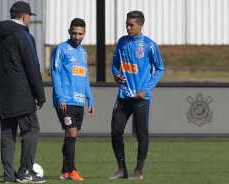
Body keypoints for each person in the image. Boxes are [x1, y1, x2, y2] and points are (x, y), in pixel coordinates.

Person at [0, 1, 46, 183]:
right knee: (32, 130)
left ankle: (8, 177)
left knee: (8, 136)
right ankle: (25, 172)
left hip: (3, 95)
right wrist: (40, 95)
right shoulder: (23, 36)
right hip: (22, 95)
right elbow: (33, 66)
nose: (29, 20)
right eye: (29, 17)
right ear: (24, 16)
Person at [108, 11, 165, 180]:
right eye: (127, 24)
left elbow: (160, 69)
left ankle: (138, 171)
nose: (128, 27)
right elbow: (115, 64)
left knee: (141, 134)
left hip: (140, 98)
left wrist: (145, 90)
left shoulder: (149, 45)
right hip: (123, 96)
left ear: (140, 25)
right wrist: (115, 74)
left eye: (131, 25)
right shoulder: (122, 42)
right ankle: (121, 169)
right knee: (116, 131)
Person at [51, 18, 95, 181]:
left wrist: (90, 99)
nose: (77, 36)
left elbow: (85, 78)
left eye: (80, 34)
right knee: (72, 133)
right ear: (69, 31)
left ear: (85, 33)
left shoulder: (83, 53)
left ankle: (64, 171)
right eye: (74, 33)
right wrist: (60, 97)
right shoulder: (61, 49)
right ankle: (73, 171)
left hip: (78, 101)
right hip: (65, 101)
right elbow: (55, 73)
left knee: (70, 136)